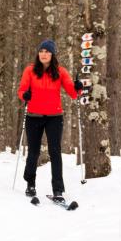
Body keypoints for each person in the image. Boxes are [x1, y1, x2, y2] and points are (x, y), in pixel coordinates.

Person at [17, 40, 84, 202]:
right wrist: (24, 95)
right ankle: (30, 184)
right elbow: (22, 90)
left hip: (54, 117)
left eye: (47, 51)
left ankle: (58, 190)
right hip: (34, 116)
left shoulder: (60, 72)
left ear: (52, 54)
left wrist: (78, 87)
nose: (44, 54)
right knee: (33, 152)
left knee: (55, 152)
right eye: (41, 51)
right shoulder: (30, 70)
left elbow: (73, 94)